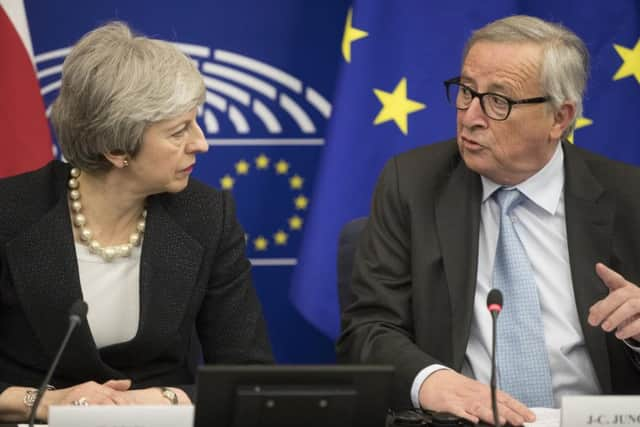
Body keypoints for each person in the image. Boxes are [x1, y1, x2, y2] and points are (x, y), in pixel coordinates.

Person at [337, 15, 640, 426]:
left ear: (559, 118)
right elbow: (369, 330)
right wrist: (436, 381)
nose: (470, 116)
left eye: (499, 101)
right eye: (466, 91)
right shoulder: (412, 184)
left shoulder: (629, 197)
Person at [0, 22, 272, 422]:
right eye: (179, 130)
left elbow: (250, 378)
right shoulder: (10, 211)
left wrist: (166, 399)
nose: (201, 143)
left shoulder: (207, 216)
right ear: (115, 148)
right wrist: (43, 403)